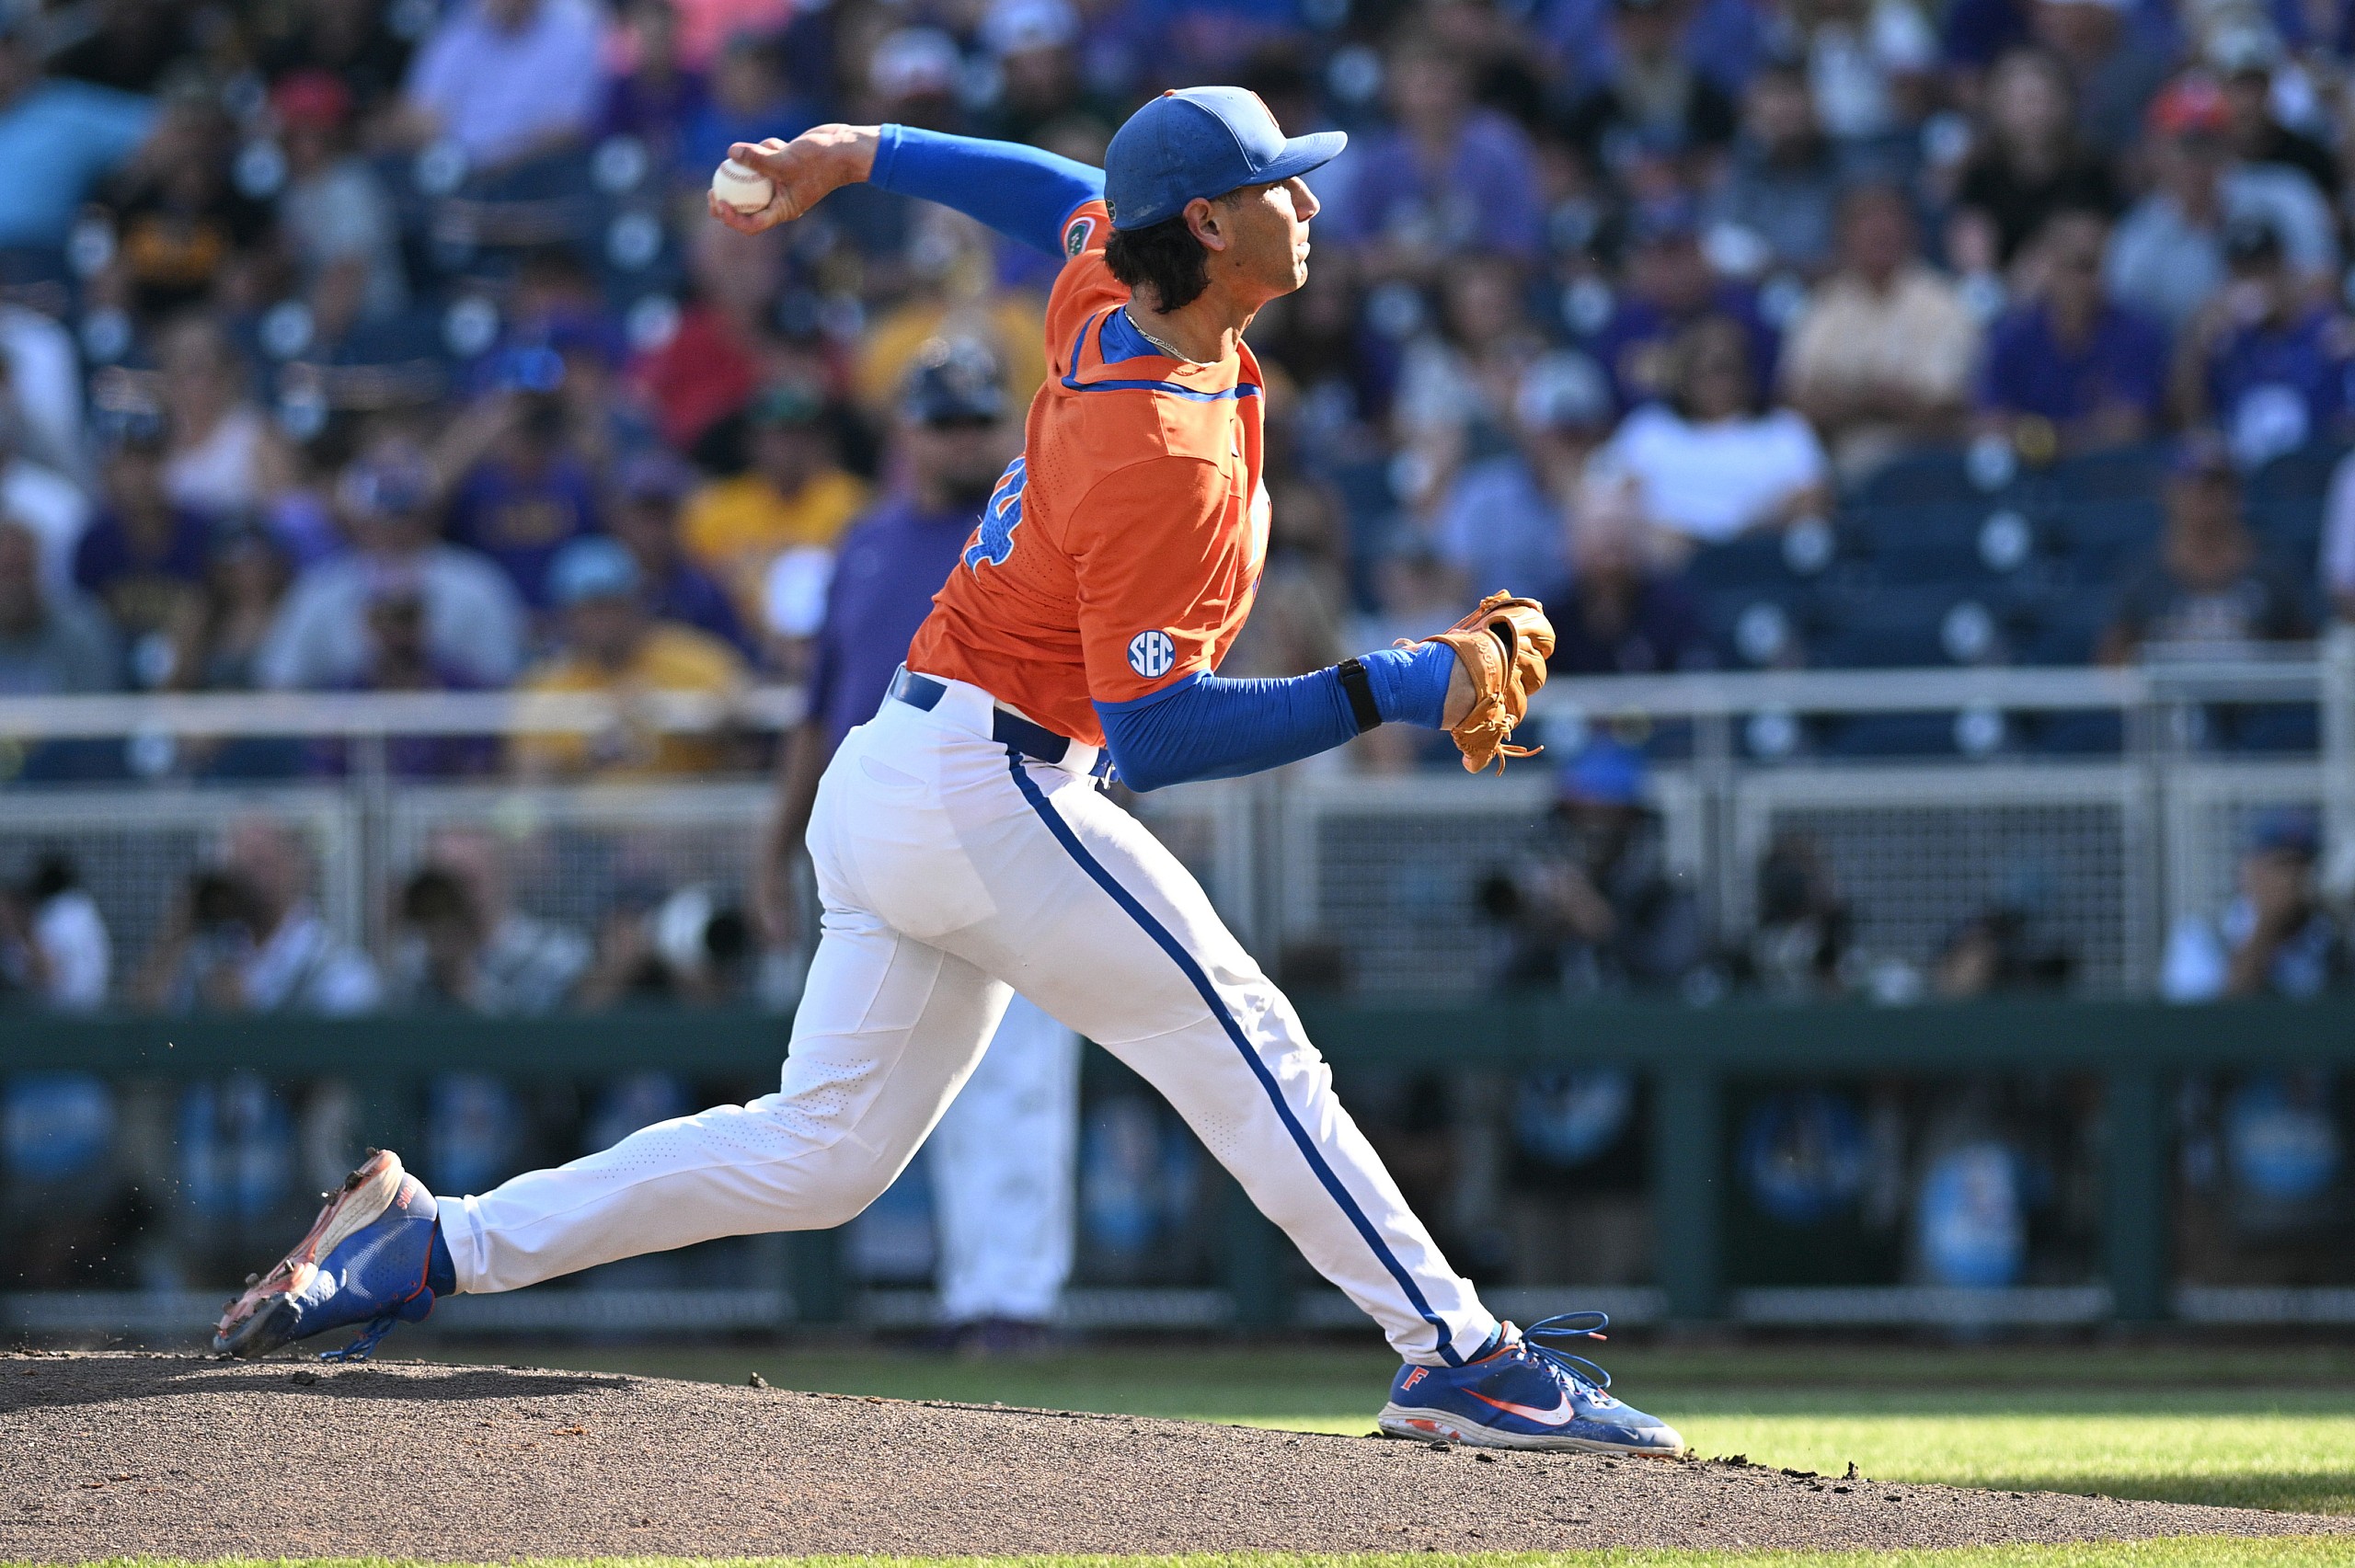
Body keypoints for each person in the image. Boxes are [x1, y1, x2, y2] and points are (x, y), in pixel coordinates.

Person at [214, 87, 1683, 1458]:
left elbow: (1052, 189)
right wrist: (1392, 684)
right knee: (1244, 1036)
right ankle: (1453, 1348)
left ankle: (436, 1241)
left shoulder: (1117, 280)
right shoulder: (1153, 445)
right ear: (1216, 229)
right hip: (1000, 780)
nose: (1311, 200)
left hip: (912, 769)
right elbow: (1161, 734)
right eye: (1281, 185)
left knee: (823, 1155)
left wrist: (858, 148)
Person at [759, 338, 1081, 1348]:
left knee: (1020, 1071)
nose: (960, 436)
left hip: (1007, 817)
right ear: (906, 430)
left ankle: (1015, 1301)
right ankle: (969, 1295)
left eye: (976, 417)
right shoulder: (862, 542)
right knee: (912, 1068)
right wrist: (768, 849)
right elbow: (817, 713)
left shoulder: (1028, 530)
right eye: (941, 419)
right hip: (885, 833)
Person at [258, 440, 525, 692]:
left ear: (427, 514)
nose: (392, 529)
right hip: (348, 733)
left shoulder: (475, 584)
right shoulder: (322, 589)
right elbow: (281, 684)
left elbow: (502, 683)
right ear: (355, 518)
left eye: (403, 515)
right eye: (378, 517)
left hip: (448, 736)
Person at [2105, 74, 2337, 334]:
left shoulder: (2285, 192)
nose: (2201, 160)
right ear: (2158, 152)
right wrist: (2206, 325)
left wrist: (2268, 298)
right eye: (2188, 146)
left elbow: (2325, 283)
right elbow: (2128, 336)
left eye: (2211, 142)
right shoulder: (2136, 242)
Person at [1781, 183, 1981, 478]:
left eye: (1888, 219)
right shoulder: (1823, 306)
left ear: (1910, 231)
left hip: (1927, 472)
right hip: (1839, 473)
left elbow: (1946, 410)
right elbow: (1796, 404)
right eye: (1864, 221)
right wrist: (1878, 399)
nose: (1878, 231)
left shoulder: (1944, 303)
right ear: (1844, 235)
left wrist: (1848, 399)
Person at [1476, 740, 1706, 996]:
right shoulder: (1550, 896)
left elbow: (1672, 976)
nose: (1592, 831)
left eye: (1608, 817)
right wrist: (1538, 932)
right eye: (1579, 817)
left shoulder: (1664, 898)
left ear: (1633, 824)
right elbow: (1500, 988)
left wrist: (1605, 926)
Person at [508, 536, 749, 780]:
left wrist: (670, 714)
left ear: (637, 604)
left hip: (685, 810)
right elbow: (529, 772)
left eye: (613, 605)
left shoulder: (691, 660)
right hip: (585, 816)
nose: (603, 621)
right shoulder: (551, 683)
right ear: (567, 616)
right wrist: (591, 745)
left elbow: (739, 705)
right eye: (588, 609)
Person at [1598, 315, 1831, 553]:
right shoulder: (1649, 430)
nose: (1716, 382)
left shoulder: (1784, 431)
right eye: (1703, 369)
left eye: (1725, 368)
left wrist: (1750, 534)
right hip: (1666, 565)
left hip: (1761, 557)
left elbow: (1812, 498)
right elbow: (1605, 495)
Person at [132, 815, 380, 1015]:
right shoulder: (207, 955)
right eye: (239, 865)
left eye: (263, 863)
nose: (251, 880)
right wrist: (177, 929)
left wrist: (248, 1017)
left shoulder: (334, 965)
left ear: (297, 867)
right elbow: (142, 1020)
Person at [1976, 208, 2167, 457]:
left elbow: (2131, 426)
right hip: (2025, 482)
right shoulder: (2012, 336)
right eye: (2081, 266)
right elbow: (1992, 423)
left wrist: (2044, 438)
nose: (2092, 280)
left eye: (2100, 266)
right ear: (2049, 268)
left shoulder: (2138, 334)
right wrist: (2070, 438)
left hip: (2107, 479)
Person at [2100, 437, 2309, 663]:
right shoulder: (2143, 576)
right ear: (2170, 492)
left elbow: (2305, 658)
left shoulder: (2271, 571)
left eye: (2219, 485)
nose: (2207, 496)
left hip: (2254, 697)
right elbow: (2112, 661)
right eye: (2195, 484)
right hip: (2169, 698)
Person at [390, 827, 592, 1015]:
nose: (451, 899)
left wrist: (463, 978)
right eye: (441, 885)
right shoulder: (414, 961)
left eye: (467, 881)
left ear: (498, 876)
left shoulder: (554, 951)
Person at [2163, 809, 2348, 1001]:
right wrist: (2268, 928)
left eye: (2303, 865)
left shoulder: (2329, 941)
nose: (2293, 879)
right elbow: (2200, 1021)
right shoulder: (2200, 937)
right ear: (2248, 870)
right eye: (2282, 864)